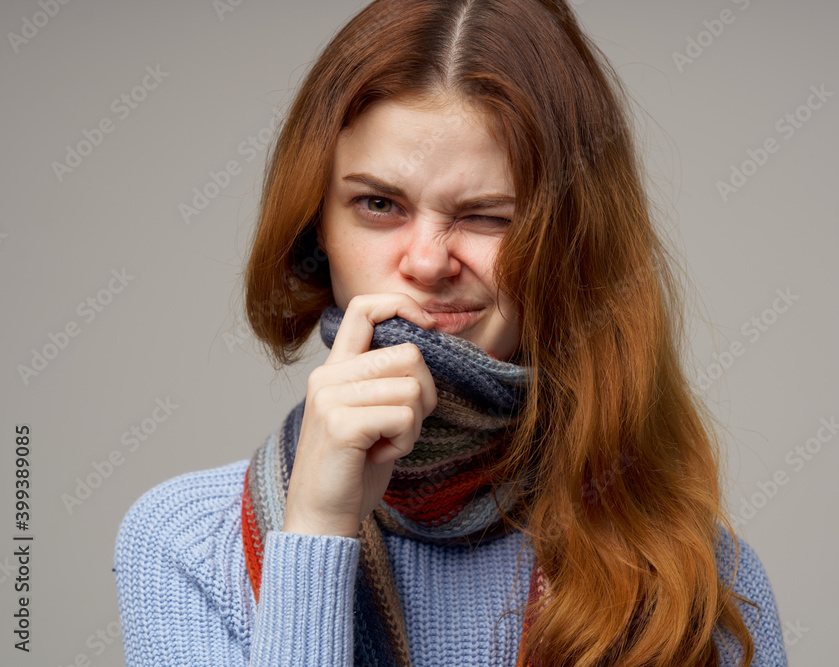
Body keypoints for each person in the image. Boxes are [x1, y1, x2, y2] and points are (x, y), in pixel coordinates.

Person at [113, 0, 788, 665]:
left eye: (488, 216)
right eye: (378, 204)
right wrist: (317, 529)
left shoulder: (695, 584)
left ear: (573, 243)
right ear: (317, 222)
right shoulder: (187, 545)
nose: (430, 261)